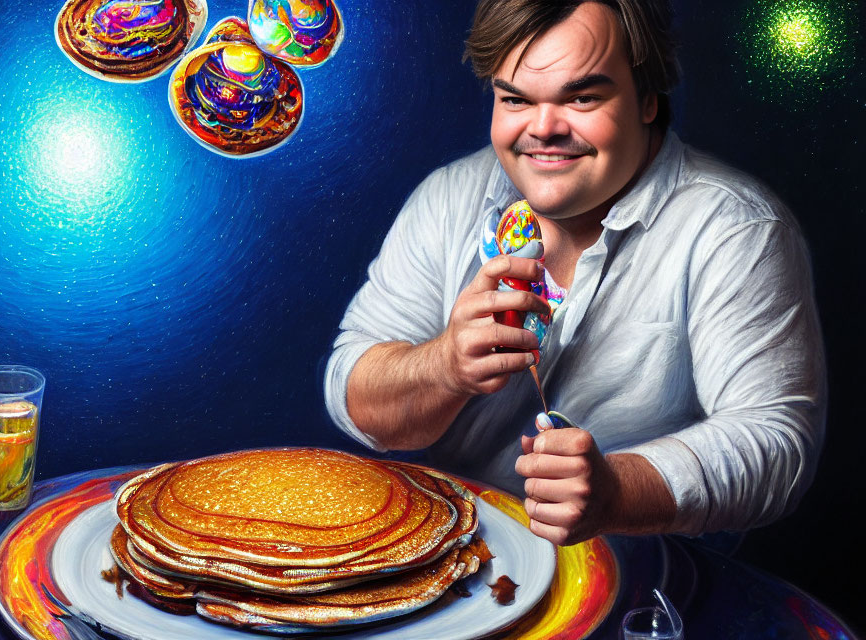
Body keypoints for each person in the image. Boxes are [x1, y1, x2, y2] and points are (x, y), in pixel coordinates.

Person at [324, 0, 825, 546]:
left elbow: (778, 446)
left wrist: (618, 491)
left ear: (648, 100)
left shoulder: (735, 229)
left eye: (582, 97)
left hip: (648, 598)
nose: (543, 129)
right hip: (470, 574)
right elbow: (354, 395)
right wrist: (442, 366)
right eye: (515, 99)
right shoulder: (448, 198)